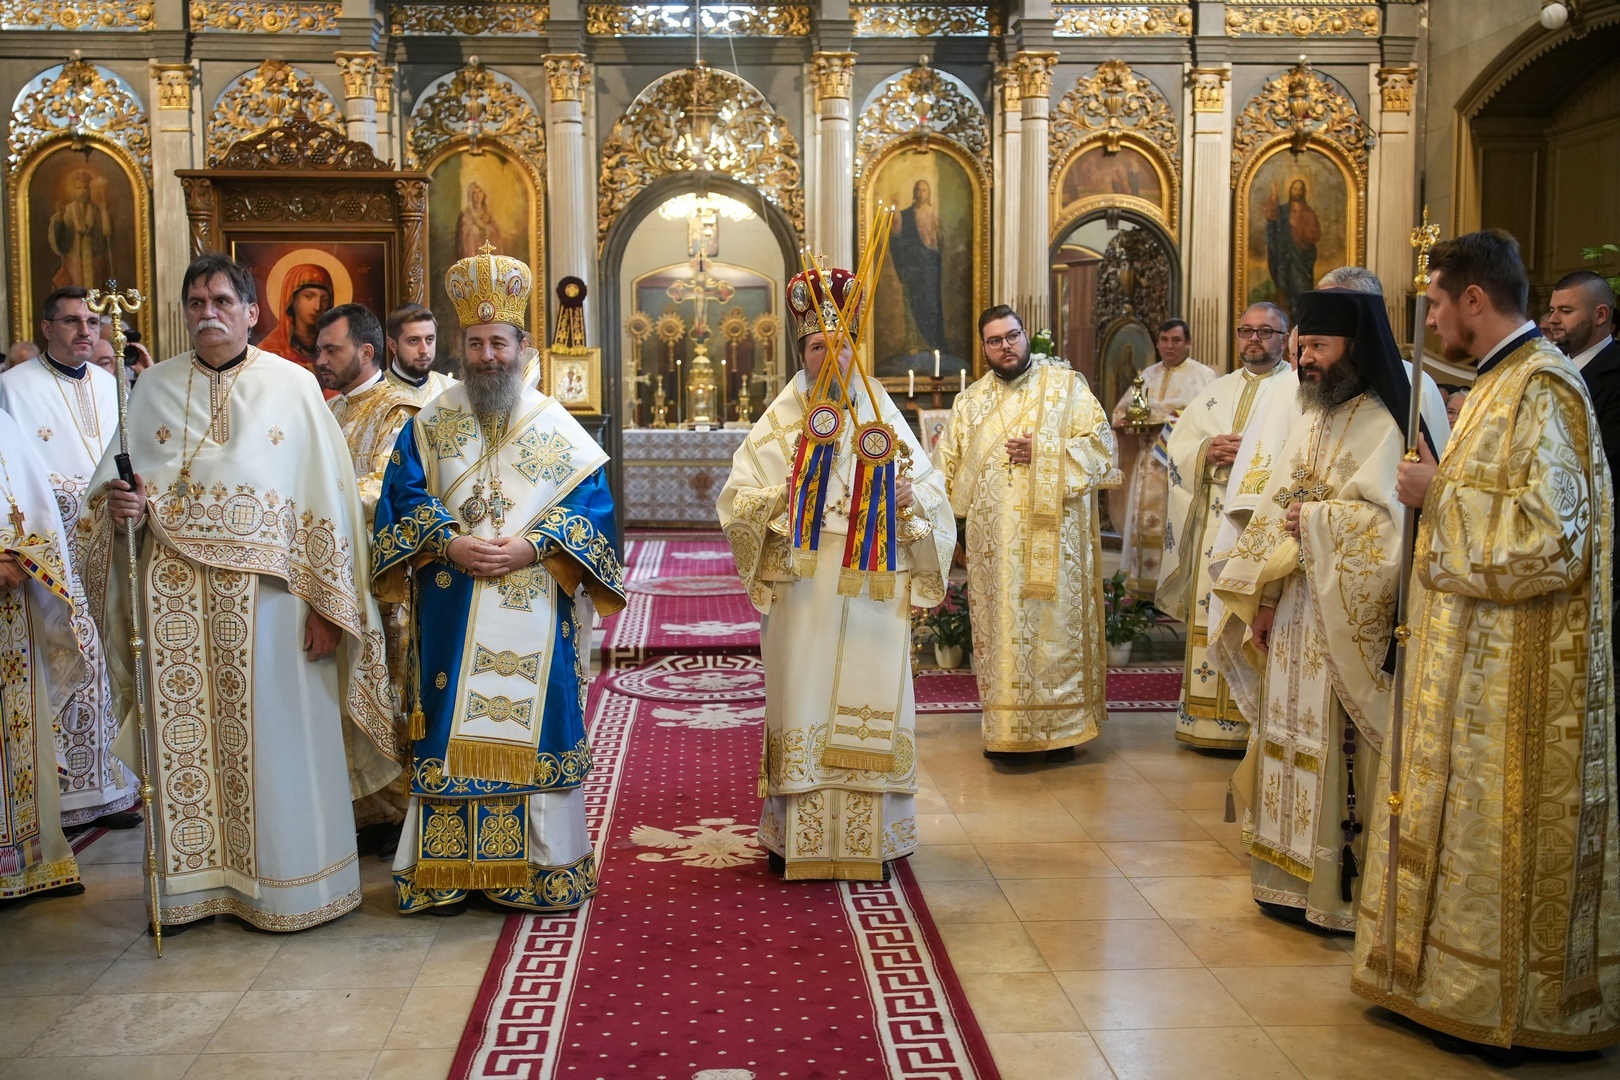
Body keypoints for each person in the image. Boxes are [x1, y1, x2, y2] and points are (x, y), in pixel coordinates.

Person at [1351, 230, 1620, 1053]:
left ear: (1474, 298)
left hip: (1516, 670)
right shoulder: (1498, 382)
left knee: (1495, 829)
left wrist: (1439, 493)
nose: (1431, 320)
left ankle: (1502, 1005)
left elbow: (1554, 539)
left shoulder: (1545, 388)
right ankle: (1436, 983)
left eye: (1436, 302)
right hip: (1466, 657)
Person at [89, 252, 400, 933]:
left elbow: (328, 505)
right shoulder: (149, 389)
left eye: (222, 301)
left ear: (252, 311)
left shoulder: (292, 387)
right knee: (188, 751)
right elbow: (110, 500)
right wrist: (121, 511)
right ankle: (193, 890)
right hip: (174, 607)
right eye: (196, 303)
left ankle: (292, 890)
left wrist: (328, 607)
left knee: (278, 749)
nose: (209, 314)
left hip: (275, 608)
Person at [372, 244, 623, 915]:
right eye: (476, 343)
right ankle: (449, 870)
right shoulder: (430, 423)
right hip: (451, 604)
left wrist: (534, 547)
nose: (487, 356)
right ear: (462, 348)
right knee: (448, 720)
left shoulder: (556, 426)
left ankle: (539, 869)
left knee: (537, 725)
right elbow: (403, 495)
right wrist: (448, 542)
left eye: (499, 343)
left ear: (522, 347)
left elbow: (592, 506)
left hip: (533, 598)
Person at [718, 266, 955, 881]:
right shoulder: (779, 422)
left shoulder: (883, 416)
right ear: (803, 354)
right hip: (804, 589)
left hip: (875, 587)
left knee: (873, 703)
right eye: (818, 346)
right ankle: (794, 837)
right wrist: (788, 498)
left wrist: (910, 500)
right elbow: (738, 501)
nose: (832, 356)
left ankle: (876, 839)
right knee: (802, 699)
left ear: (857, 350)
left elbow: (934, 495)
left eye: (842, 344)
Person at [1209, 290, 1428, 931]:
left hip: (1346, 622)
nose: (1304, 359)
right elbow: (1276, 505)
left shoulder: (1388, 425)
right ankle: (1283, 878)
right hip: (1296, 610)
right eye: (1301, 346)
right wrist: (1264, 600)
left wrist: (1319, 522)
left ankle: (1334, 887)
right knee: (1285, 737)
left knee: (1338, 747)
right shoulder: (1312, 418)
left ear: (1354, 350)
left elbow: (1398, 532)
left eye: (1317, 347)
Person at [935, 305, 1116, 761]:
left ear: (1025, 335)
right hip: (993, 551)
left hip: (1055, 543)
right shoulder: (969, 402)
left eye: (1012, 336)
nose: (1006, 347)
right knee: (1001, 636)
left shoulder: (1067, 386)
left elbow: (1102, 449)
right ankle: (1006, 730)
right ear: (983, 347)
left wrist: (1045, 450)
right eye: (995, 340)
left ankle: (1063, 730)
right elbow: (944, 473)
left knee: (1055, 634)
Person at [0, 286, 139, 832]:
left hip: (110, 540)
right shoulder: (14, 387)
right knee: (71, 658)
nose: (86, 331)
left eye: (93, 322)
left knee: (115, 658)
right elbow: (14, 471)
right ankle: (69, 798)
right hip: (51, 549)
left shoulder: (112, 384)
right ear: (46, 328)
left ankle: (117, 788)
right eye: (72, 321)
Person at [1158, 303, 1293, 751]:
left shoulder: (1296, 390)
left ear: (1285, 338)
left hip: (1264, 526)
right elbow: (1176, 450)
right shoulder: (1215, 390)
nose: (1254, 339)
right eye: (1246, 330)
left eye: (1265, 331)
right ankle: (1205, 722)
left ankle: (1254, 722)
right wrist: (1206, 451)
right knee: (1209, 611)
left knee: (1253, 616)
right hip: (1213, 523)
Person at [315, 303, 420, 858]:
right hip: (332, 570)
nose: (321, 359)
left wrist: (311, 512)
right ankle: (355, 804)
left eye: (331, 350)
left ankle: (394, 809)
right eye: (318, 349)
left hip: (384, 577)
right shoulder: (327, 409)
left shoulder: (397, 409)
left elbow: (383, 488)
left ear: (367, 351)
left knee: (389, 685)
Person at [0, 417, 90, 901]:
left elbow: (36, 511)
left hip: (15, 607)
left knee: (21, 733)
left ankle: (32, 861)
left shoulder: (5, 425)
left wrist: (21, 558)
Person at [1110, 319, 1215, 597]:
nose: (1170, 346)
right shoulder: (1147, 376)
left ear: (1188, 343)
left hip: (1181, 467)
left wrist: (1168, 416)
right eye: (1165, 340)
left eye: (1176, 340)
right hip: (1147, 465)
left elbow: (1209, 418)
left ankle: (1173, 591)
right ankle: (1142, 588)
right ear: (1157, 344)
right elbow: (1121, 413)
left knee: (1177, 525)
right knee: (1142, 525)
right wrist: (1128, 424)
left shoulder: (1204, 377)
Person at [256, 263, 333, 376]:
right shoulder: (270, 352)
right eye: (308, 296)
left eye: (324, 299)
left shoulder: (334, 346)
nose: (317, 307)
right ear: (291, 300)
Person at [384, 302, 458, 406]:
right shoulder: (376, 396)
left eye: (429, 339)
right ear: (393, 345)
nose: (424, 350)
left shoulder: (453, 391)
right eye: (413, 340)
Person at [1264, 178, 1321, 311]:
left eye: (1300, 189)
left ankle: (1301, 315)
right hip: (1284, 256)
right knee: (1284, 289)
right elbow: (1271, 216)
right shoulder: (1284, 210)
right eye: (1295, 189)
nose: (1297, 192)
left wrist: (1298, 228)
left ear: (1304, 192)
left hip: (1301, 258)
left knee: (1301, 288)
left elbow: (1315, 235)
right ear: (1290, 191)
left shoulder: (1309, 212)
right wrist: (1274, 194)